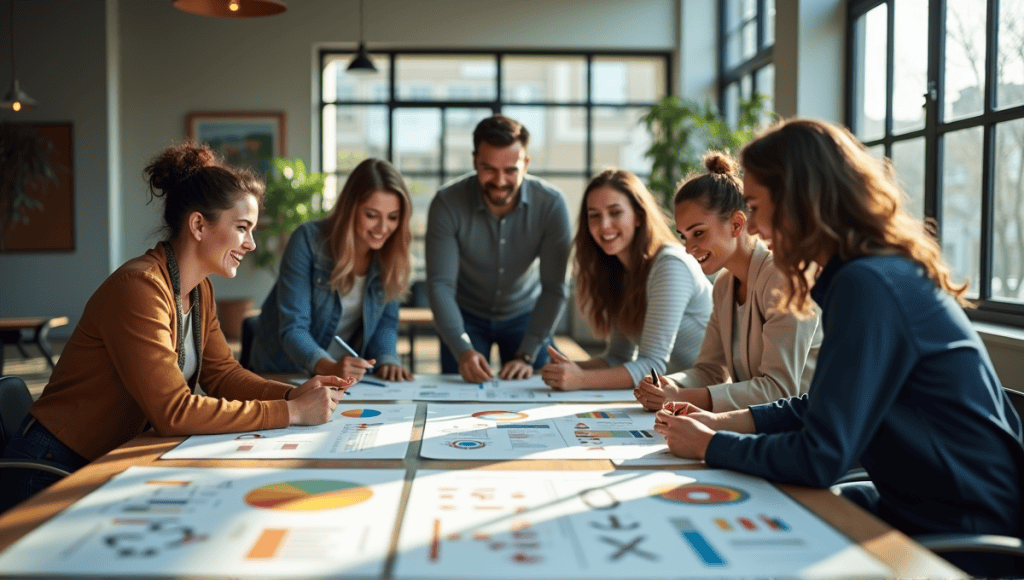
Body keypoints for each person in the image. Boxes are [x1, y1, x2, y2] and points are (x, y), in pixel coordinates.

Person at [653, 119, 1024, 576]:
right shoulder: (865, 274)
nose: (756, 227)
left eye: (756, 207)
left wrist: (714, 446)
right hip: (916, 503)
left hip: (961, 531)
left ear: (799, 201)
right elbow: (824, 406)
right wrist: (723, 422)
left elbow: (821, 457)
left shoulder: (867, 285)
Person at [0, 142, 352, 512]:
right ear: (199, 225)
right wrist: (293, 414)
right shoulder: (138, 288)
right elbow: (173, 413)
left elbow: (223, 374)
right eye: (242, 228)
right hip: (51, 468)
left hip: (104, 460)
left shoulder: (199, 290)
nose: (251, 243)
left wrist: (290, 395)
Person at [634, 151, 821, 412]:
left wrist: (681, 396)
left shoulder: (782, 277)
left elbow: (780, 390)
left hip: (805, 428)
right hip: (755, 425)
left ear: (736, 224)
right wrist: (666, 385)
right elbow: (709, 371)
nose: (689, 248)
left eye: (698, 233)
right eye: (684, 236)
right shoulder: (723, 285)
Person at [426, 114, 572, 383]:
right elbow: (440, 285)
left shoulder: (551, 204)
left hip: (526, 315)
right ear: (474, 161)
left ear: (526, 164)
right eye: (489, 169)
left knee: (537, 389)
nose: (500, 180)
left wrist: (527, 354)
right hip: (465, 315)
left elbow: (555, 288)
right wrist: (463, 350)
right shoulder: (446, 203)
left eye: (511, 170)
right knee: (459, 393)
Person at [540, 169, 713, 391]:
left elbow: (653, 365)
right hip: (672, 393)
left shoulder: (670, 265)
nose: (604, 225)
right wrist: (563, 369)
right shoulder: (620, 272)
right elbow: (618, 357)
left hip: (706, 393)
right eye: (594, 215)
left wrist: (581, 379)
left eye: (615, 212)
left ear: (639, 216)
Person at [249, 158, 414, 382]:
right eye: (372, 215)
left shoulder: (391, 255)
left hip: (346, 379)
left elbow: (386, 323)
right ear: (351, 209)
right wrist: (329, 367)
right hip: (285, 371)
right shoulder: (308, 241)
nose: (383, 228)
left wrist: (388, 359)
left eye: (393, 217)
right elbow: (294, 328)